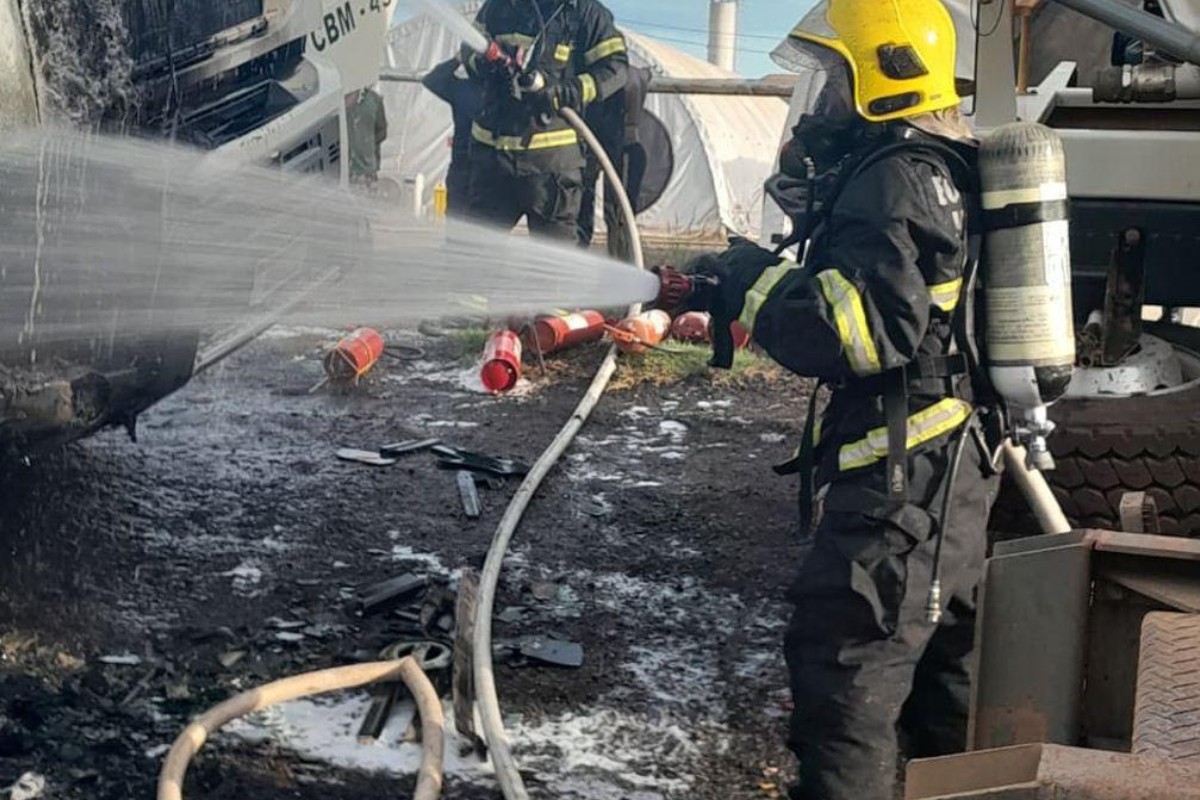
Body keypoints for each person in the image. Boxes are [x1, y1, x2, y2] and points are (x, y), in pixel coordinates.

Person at [679, 2, 1001, 797]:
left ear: (882, 79)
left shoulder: (894, 180)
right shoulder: (937, 165)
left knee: (845, 681)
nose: (818, 101)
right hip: (951, 471)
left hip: (906, 485)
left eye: (831, 79)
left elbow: (857, 335)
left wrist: (752, 280)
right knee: (941, 679)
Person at [464, 0, 629, 241]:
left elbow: (615, 68)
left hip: (551, 167)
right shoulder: (498, 6)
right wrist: (483, 64)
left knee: (556, 265)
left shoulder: (584, 12)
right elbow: (468, 48)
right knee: (474, 256)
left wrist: (566, 92)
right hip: (492, 158)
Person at [577, 65, 651, 261]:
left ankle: (621, 261)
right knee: (609, 209)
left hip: (619, 147)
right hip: (611, 146)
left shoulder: (607, 73)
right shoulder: (632, 74)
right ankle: (612, 258)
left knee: (618, 213)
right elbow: (645, 75)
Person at [422, 58, 484, 216]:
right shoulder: (464, 89)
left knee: (464, 220)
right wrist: (458, 58)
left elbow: (433, 80)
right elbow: (432, 80)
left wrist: (457, 59)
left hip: (478, 167)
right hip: (471, 165)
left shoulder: (462, 89)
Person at [346, 85, 389, 184]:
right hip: (337, 171)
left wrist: (366, 145)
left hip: (365, 171)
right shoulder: (333, 99)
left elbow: (382, 131)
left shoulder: (373, 100)